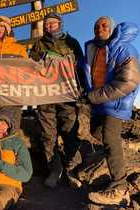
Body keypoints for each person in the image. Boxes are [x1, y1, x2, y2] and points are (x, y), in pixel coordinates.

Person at [83, 17, 140, 205]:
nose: (100, 28)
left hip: (116, 102)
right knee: (97, 133)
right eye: (96, 26)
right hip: (99, 103)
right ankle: (121, 150)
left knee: (109, 137)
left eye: (104, 25)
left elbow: (127, 81)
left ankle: (119, 188)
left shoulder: (124, 48)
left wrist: (92, 97)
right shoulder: (94, 49)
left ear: (112, 29)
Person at [29, 12, 84, 188]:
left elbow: (81, 69)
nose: (48, 26)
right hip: (46, 96)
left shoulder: (72, 43)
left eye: (52, 23)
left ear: (60, 24)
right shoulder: (38, 44)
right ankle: (54, 169)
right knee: (48, 135)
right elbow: (31, 68)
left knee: (70, 131)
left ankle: (71, 170)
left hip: (67, 96)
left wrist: (81, 91)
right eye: (46, 24)